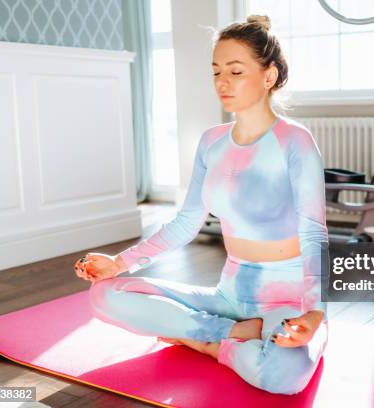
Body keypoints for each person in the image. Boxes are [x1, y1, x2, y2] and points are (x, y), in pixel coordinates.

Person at [73, 14, 329, 395]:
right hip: (227, 297)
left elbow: (313, 233)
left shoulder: (295, 141)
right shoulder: (212, 141)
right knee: (106, 294)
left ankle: (204, 341)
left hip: (286, 301)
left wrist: (314, 312)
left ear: (269, 76)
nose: (222, 82)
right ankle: (230, 335)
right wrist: (120, 262)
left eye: (236, 71)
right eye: (216, 72)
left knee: (282, 377)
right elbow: (185, 223)